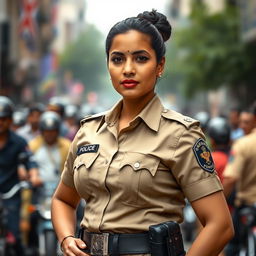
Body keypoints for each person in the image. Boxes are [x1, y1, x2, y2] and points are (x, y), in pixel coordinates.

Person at [51, 10, 234, 256]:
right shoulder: (89, 131)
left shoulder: (181, 135)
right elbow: (63, 200)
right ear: (107, 64)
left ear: (160, 66)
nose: (127, 69)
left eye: (140, 58)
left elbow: (220, 225)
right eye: (117, 59)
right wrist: (66, 239)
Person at [26, 111, 71, 254]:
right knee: (29, 218)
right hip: (39, 191)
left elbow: (72, 167)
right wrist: (31, 176)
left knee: (78, 213)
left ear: (58, 131)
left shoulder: (67, 146)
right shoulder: (33, 146)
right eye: (46, 131)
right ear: (42, 131)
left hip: (62, 189)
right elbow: (26, 164)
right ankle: (30, 246)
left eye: (53, 131)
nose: (49, 134)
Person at [0, 96, 40, 255]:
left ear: (10, 121)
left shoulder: (19, 141)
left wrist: (34, 175)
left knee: (15, 237)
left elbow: (30, 160)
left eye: (4, 119)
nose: (0, 122)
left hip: (12, 194)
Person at [222, 126, 256, 255]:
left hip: (247, 207)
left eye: (245, 122)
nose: (242, 125)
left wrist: (220, 202)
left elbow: (230, 178)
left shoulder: (244, 144)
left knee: (233, 247)